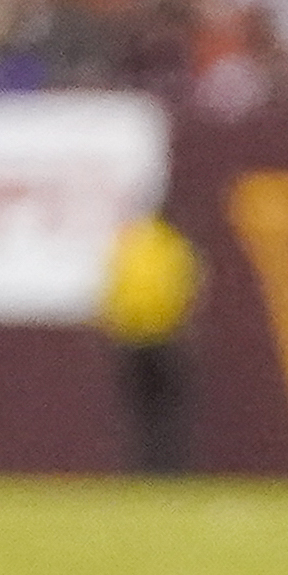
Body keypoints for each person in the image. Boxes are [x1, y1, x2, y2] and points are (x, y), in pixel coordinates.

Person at [96, 197, 205, 474]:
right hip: (165, 338)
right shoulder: (173, 245)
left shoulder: (130, 245)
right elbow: (188, 287)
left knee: (140, 411)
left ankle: (142, 468)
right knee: (167, 411)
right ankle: (167, 469)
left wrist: (111, 322)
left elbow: (113, 288)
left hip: (132, 338)